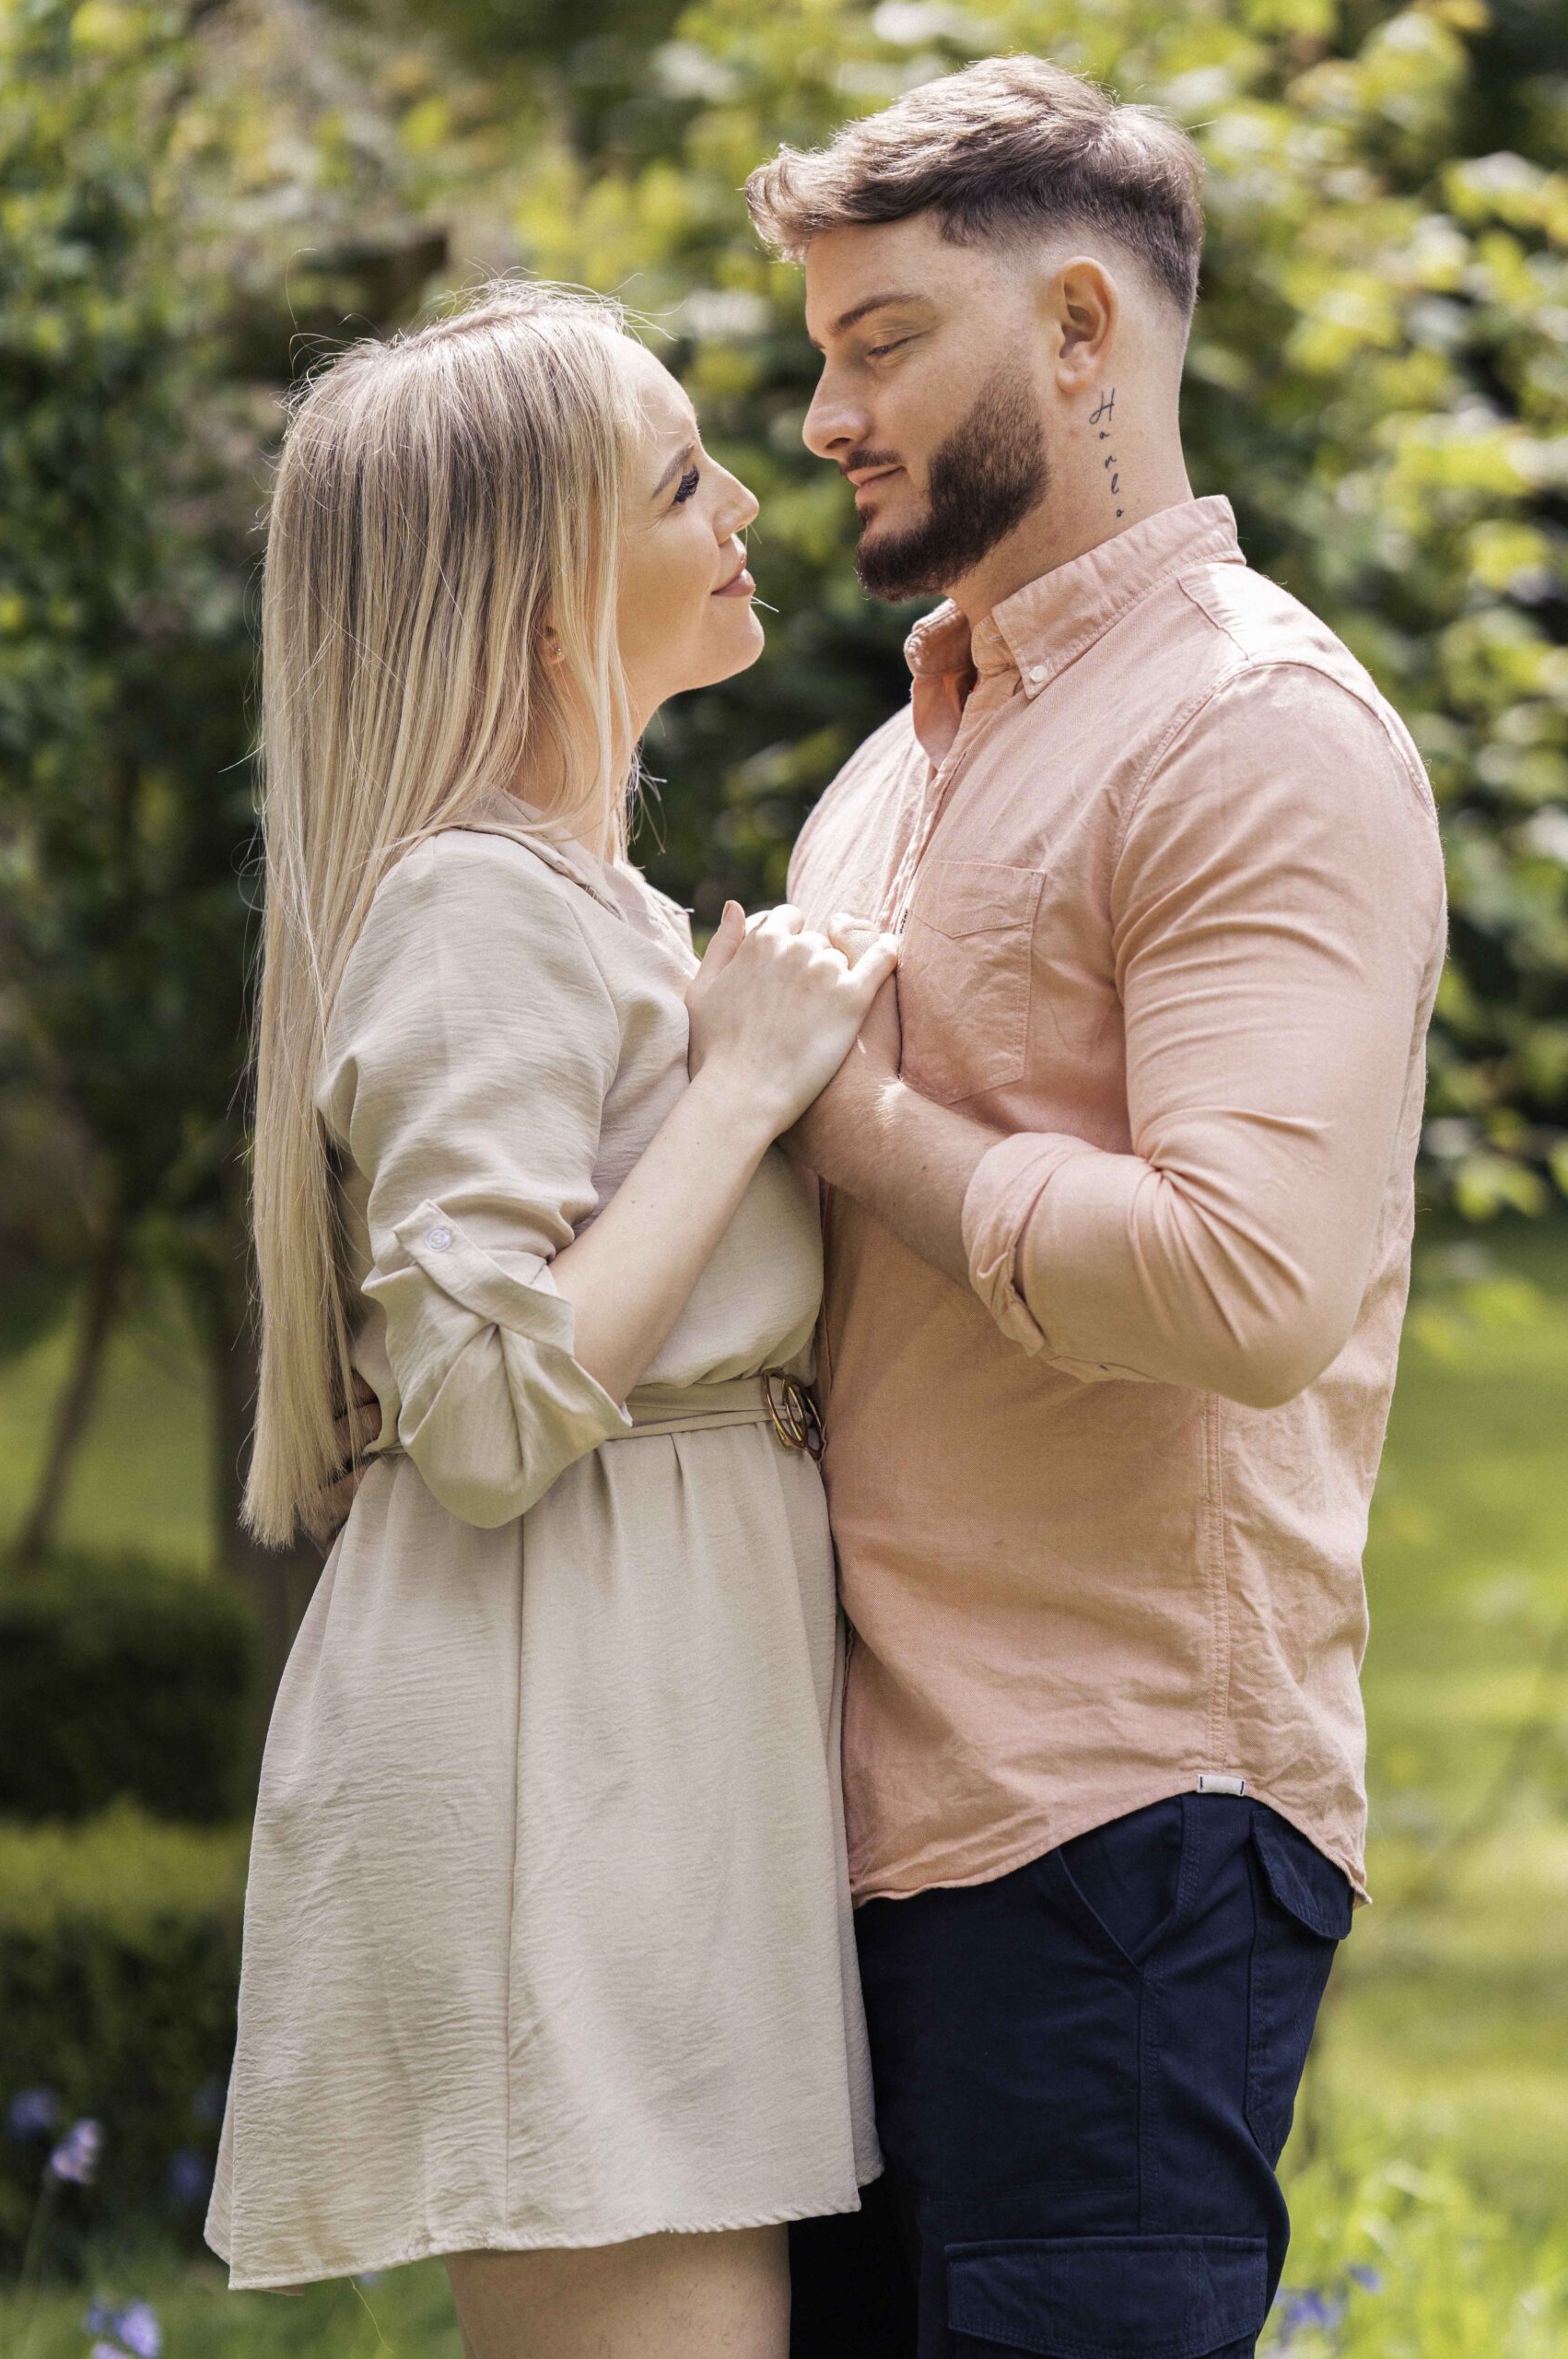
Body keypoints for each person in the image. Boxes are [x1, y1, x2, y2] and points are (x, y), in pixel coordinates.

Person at [741, 55, 1448, 2359]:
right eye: (817, 351)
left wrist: (845, 1124)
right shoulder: (885, 768)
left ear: (1075, 327)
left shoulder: (1252, 732)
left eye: (879, 345)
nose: (823, 413)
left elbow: (1248, 1285)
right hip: (833, 1834)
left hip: (1115, 1830)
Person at [204, 280, 901, 2359]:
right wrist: (745, 1083)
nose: (746, 498)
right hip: (561, 1782)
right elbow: (489, 1403)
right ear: (535, 600)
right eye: (682, 477)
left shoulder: (567, 901)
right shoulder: (470, 904)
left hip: (642, 1745)